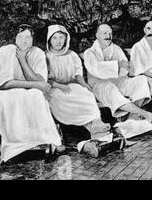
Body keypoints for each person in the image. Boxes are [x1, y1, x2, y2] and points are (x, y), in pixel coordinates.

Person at [45, 24, 120, 157]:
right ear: (49, 40)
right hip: (54, 88)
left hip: (71, 85)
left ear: (65, 39)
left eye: (61, 38)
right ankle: (92, 129)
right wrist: (60, 86)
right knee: (61, 98)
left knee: (85, 94)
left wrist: (85, 85)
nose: (58, 41)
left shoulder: (72, 55)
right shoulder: (46, 56)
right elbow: (45, 79)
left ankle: (96, 123)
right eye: (55, 38)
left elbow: (78, 75)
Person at [0, 24, 62, 163]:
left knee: (35, 95)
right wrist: (35, 85)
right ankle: (17, 144)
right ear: (14, 38)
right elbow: (3, 84)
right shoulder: (5, 51)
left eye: (28, 37)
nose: (25, 41)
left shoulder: (38, 53)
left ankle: (40, 141)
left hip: (28, 92)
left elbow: (41, 81)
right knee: (13, 98)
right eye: (21, 37)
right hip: (4, 92)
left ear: (33, 39)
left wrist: (23, 60)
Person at [84, 24, 152, 122]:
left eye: (110, 33)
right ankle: (143, 113)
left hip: (118, 82)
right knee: (110, 88)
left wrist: (120, 68)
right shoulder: (90, 53)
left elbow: (125, 70)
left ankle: (130, 115)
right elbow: (97, 70)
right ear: (97, 35)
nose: (108, 36)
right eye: (105, 33)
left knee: (141, 80)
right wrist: (118, 65)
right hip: (99, 86)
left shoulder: (116, 49)